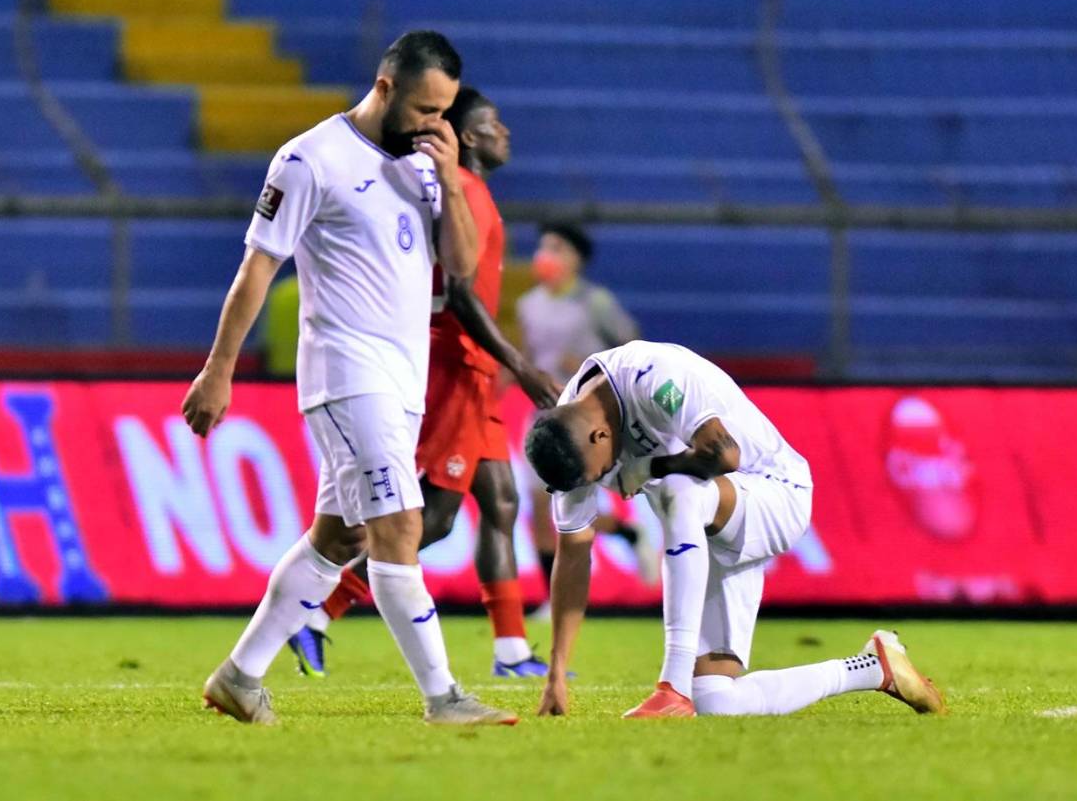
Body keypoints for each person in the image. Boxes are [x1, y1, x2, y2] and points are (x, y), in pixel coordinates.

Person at [181, 30, 516, 726]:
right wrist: (219, 370)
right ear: (386, 86)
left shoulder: (427, 166)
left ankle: (239, 677)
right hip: (344, 373)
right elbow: (255, 272)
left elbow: (459, 264)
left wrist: (452, 181)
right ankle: (443, 696)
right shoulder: (311, 159)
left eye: (445, 112)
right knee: (400, 523)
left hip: (403, 380)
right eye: (426, 109)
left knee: (341, 539)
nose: (435, 125)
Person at [287, 86, 562, 679]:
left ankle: (511, 650)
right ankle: (317, 612)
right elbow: (459, 294)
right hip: (457, 364)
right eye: (493, 124)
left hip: (474, 368)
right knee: (432, 516)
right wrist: (519, 363)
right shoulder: (456, 190)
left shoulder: (476, 192)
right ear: (467, 136)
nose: (504, 133)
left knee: (501, 502)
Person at [523, 340, 947, 718]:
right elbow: (575, 552)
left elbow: (724, 455)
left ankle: (671, 688)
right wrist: (556, 673)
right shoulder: (570, 437)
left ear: (600, 435)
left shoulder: (652, 376)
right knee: (718, 702)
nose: (591, 485)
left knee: (679, 488)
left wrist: (650, 466)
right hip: (705, 533)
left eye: (590, 478)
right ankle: (873, 668)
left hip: (775, 496)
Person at [515, 226, 651, 617]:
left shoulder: (596, 302)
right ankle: (551, 599)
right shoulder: (529, 304)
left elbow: (634, 346)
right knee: (540, 510)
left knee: (573, 504)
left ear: (575, 258)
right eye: (543, 245)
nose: (546, 254)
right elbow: (530, 353)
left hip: (584, 417)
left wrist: (594, 367)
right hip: (542, 415)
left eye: (555, 247)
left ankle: (629, 534)